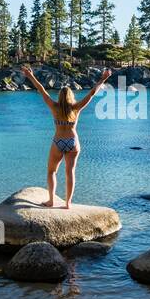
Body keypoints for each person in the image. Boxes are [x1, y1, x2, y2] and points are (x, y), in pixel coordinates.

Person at [20, 64, 113, 209]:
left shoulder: (54, 106)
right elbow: (92, 93)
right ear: (71, 96)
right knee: (70, 172)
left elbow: (41, 89)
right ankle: (68, 203)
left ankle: (51, 201)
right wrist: (103, 78)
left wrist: (30, 75)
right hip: (73, 141)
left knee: (51, 171)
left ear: (60, 96)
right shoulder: (76, 108)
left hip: (58, 141)